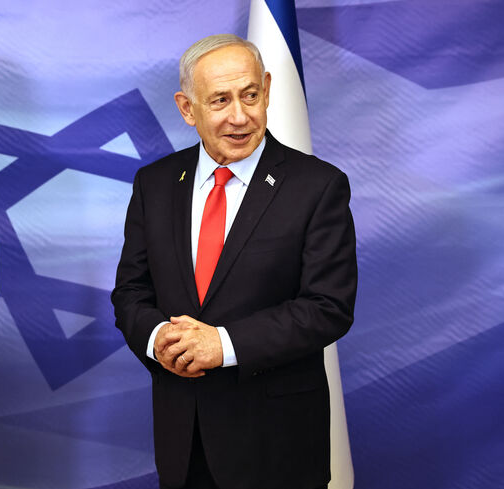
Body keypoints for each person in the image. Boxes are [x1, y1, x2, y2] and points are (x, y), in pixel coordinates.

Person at [112, 34, 357, 489]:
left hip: (277, 445)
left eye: (250, 95)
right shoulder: (155, 183)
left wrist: (221, 345)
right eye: (220, 101)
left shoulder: (317, 186)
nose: (240, 116)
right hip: (184, 441)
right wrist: (159, 337)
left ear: (266, 89)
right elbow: (130, 291)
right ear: (188, 109)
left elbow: (328, 307)